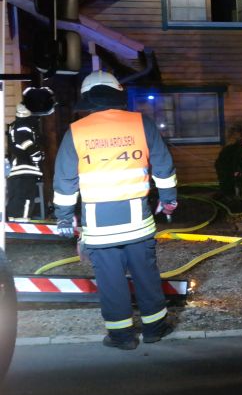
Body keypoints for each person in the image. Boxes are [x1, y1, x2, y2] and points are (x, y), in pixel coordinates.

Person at [52, 71, 178, 350]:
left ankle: (122, 336)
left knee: (110, 281)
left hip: (99, 226)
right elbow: (163, 164)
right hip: (137, 222)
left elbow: (64, 181)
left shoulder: (76, 131)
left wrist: (64, 217)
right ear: (117, 93)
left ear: (87, 98)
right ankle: (155, 329)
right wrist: (169, 199)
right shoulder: (140, 123)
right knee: (146, 275)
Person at [5, 104, 44, 220]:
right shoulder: (23, 126)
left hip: (17, 170)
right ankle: (22, 223)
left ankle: (14, 223)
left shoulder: (15, 125)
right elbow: (26, 143)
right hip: (25, 170)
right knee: (25, 200)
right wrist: (37, 156)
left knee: (16, 201)